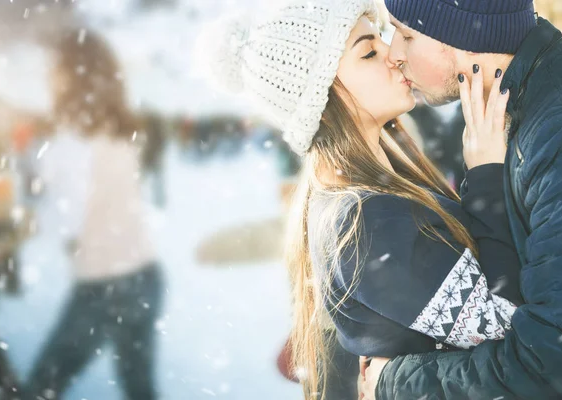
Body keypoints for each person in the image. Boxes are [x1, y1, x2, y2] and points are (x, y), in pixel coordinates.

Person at [201, 0, 524, 398]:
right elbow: (512, 336)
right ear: (321, 98)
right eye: (369, 52)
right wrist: (487, 175)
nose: (393, 56)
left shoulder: (366, 198)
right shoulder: (367, 223)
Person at [360, 1, 562, 399]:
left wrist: (396, 383)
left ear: (463, 39)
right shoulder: (525, 106)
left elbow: (558, 364)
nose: (395, 54)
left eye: (407, 35)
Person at [26, 30, 164, 400]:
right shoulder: (121, 129)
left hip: (103, 288)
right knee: (140, 388)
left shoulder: (69, 142)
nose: (46, 79)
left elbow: (63, 223)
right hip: (144, 275)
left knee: (42, 387)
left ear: (69, 77)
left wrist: (28, 209)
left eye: (53, 71)